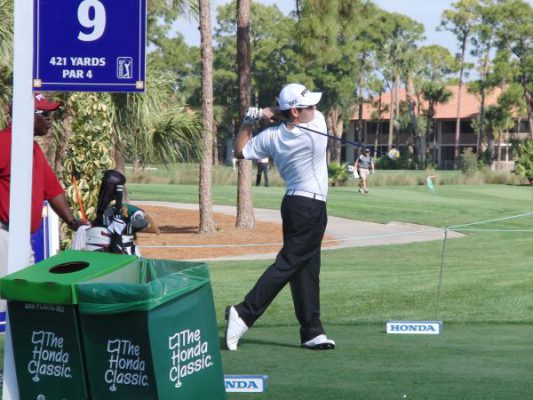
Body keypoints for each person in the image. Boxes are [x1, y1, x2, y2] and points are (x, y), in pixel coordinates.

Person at [225, 83, 335, 351]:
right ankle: (244, 312)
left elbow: (240, 151)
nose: (315, 108)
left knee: (306, 267)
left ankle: (312, 331)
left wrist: (252, 120)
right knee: (289, 263)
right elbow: (283, 113)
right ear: (296, 111)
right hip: (310, 207)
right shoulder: (317, 127)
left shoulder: (272, 137)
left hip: (293, 204)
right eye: (309, 105)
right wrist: (271, 112)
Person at [0, 93, 86, 274]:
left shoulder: (33, 148)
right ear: (26, 114)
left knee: (21, 295)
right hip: (4, 235)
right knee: (5, 299)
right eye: (44, 114)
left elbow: (53, 191)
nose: (50, 120)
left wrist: (72, 222)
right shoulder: (4, 142)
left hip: (20, 238)